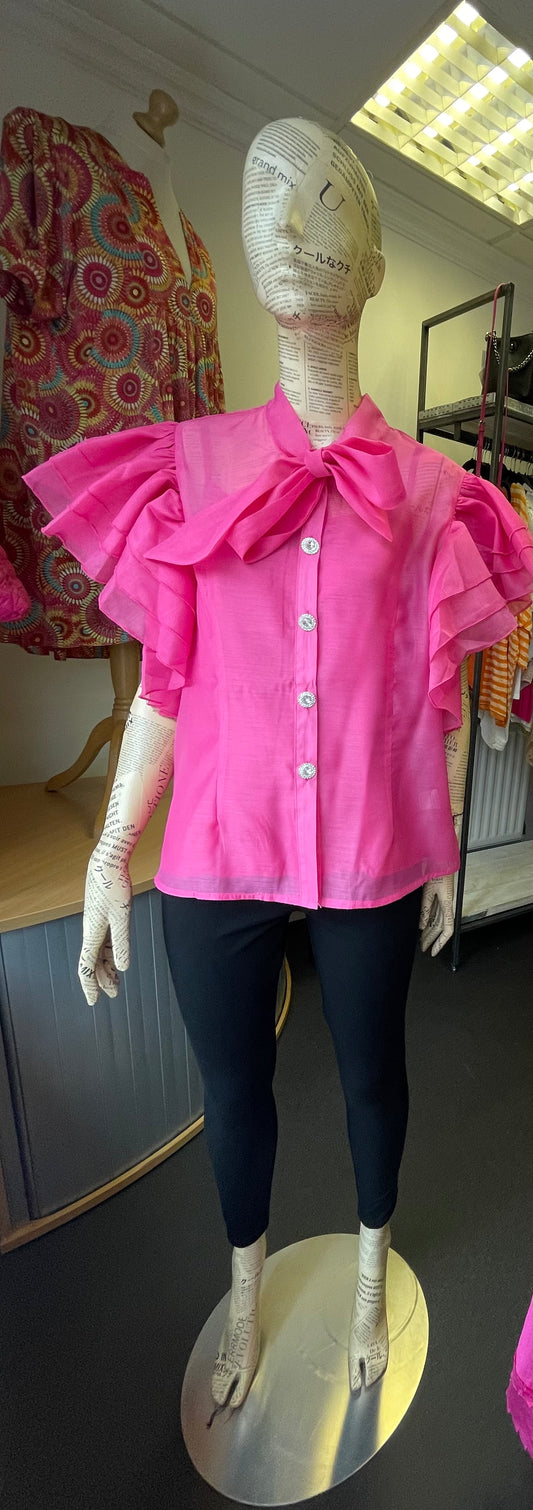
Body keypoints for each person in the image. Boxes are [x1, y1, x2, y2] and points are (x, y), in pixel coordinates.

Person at [24, 118, 532, 1414]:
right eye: (273, 204)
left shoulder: (432, 494)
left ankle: (365, 1279)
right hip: (215, 857)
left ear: (371, 266)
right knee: (232, 1089)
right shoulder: (189, 471)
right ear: (249, 258)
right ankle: (245, 1294)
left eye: (327, 204)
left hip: (372, 853)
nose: (297, 225)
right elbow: (167, 684)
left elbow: (432, 698)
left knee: (372, 1079)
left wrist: (435, 846)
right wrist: (109, 853)